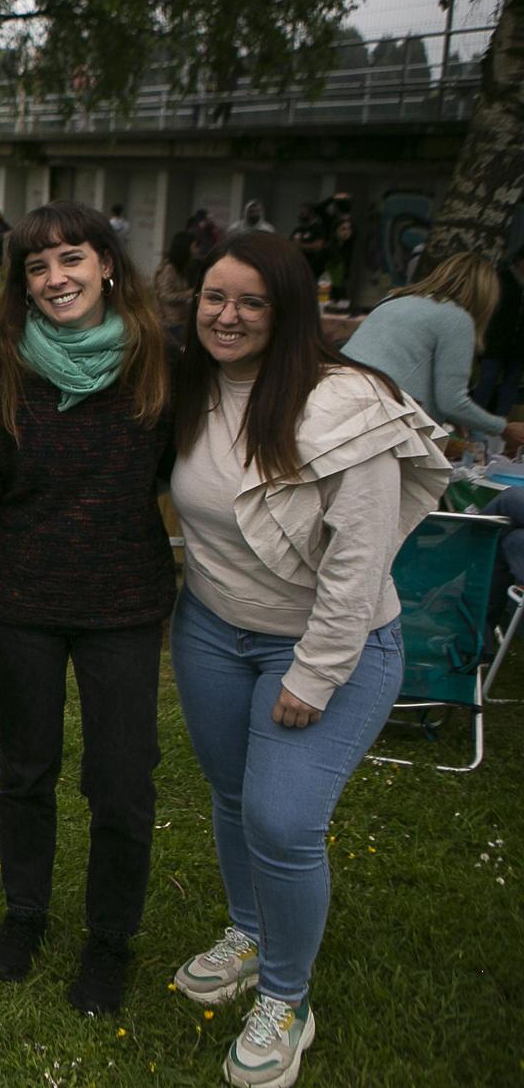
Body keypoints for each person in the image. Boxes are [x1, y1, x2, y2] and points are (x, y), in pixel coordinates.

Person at [168, 231, 446, 1088]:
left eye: (252, 301)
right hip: (212, 632)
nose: (228, 315)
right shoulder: (192, 387)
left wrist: (318, 671)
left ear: (290, 311)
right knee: (231, 796)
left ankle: (287, 998)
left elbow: (361, 560)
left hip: (335, 642)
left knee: (283, 822)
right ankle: (250, 932)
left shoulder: (345, 402)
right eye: (215, 297)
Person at [0, 202, 177, 1015]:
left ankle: (109, 940)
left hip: (124, 605)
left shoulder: (156, 361)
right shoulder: (6, 364)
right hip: (22, 605)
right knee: (25, 772)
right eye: (37, 268)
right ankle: (25, 916)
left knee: (120, 784)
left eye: (70, 260)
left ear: (107, 264)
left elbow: (188, 474)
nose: (54, 279)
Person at [343, 252, 524, 452]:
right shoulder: (456, 318)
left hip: (337, 395)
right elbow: (451, 401)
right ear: (485, 295)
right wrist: (504, 428)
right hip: (381, 418)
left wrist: (460, 420)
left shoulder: (394, 299)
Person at [473, 248, 524, 419]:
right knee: (487, 380)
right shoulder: (501, 279)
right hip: (495, 342)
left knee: (511, 384)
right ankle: (475, 419)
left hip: (518, 345)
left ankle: (502, 422)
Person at [155, 230, 199, 340]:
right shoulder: (169, 269)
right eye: (194, 246)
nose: (196, 250)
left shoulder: (180, 268)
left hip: (179, 318)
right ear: (185, 247)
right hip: (169, 321)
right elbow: (165, 295)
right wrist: (189, 293)